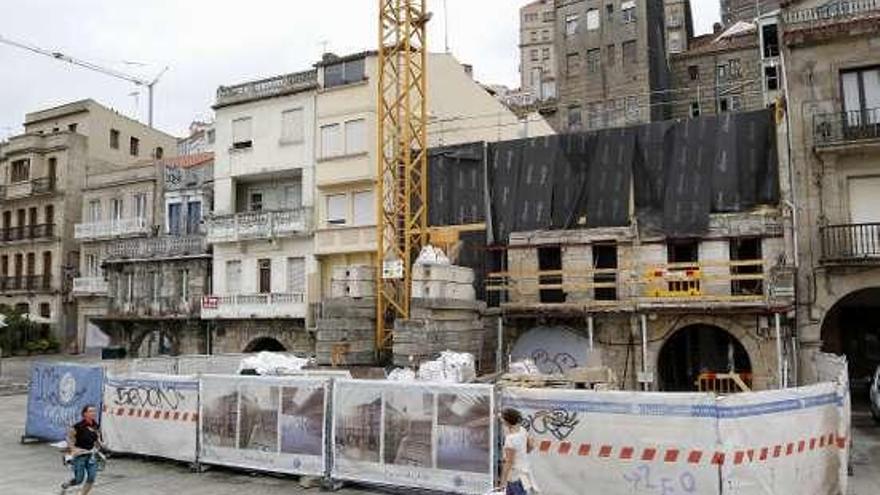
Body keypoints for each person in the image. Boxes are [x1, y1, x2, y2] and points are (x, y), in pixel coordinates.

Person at [61, 405, 102, 494]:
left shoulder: (96, 426)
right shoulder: (78, 426)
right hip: (80, 455)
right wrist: (73, 449)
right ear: (85, 414)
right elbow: (69, 437)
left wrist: (99, 445)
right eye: (90, 411)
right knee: (79, 479)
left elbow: (96, 438)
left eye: (94, 411)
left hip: (91, 455)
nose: (93, 413)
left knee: (91, 477)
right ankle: (67, 484)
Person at [498, 408, 535, 495]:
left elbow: (509, 462)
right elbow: (531, 446)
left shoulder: (510, 439)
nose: (501, 420)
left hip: (514, 476)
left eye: (502, 418)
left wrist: (502, 482)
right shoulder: (522, 430)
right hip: (524, 472)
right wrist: (522, 453)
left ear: (507, 420)